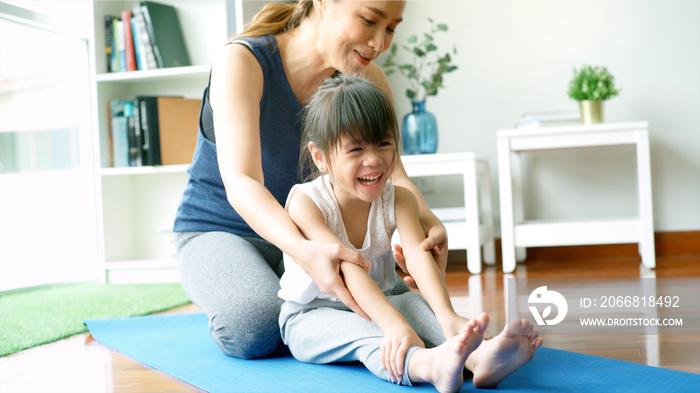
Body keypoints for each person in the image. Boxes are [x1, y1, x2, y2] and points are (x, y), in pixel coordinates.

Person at [173, 0, 448, 360]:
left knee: (394, 303)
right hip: (220, 230)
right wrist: (302, 252)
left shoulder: (367, 79)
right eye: (369, 20)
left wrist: (429, 224)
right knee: (253, 325)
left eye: (391, 28)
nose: (380, 43)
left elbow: (395, 176)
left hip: (317, 234)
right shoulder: (242, 62)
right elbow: (242, 181)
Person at [278, 74, 542, 391]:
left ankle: (481, 358)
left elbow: (417, 254)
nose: (374, 159)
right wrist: (394, 326)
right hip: (312, 315)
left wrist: (448, 317)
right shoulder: (306, 203)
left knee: (415, 306)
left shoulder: (399, 197)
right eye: (356, 149)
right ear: (320, 157)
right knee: (375, 335)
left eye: (384, 144)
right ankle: (429, 366)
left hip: (385, 299)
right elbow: (349, 271)